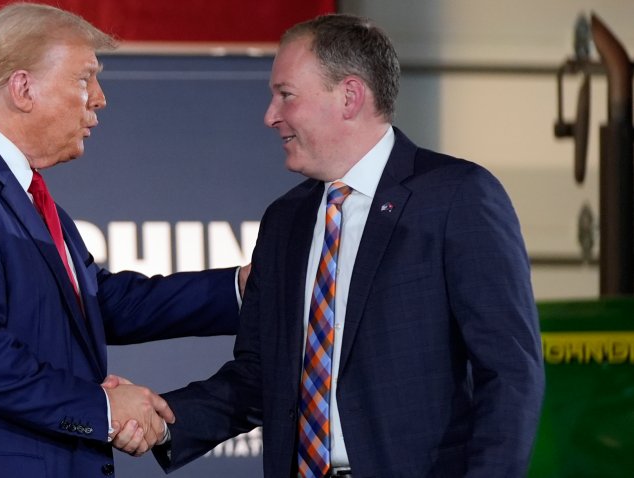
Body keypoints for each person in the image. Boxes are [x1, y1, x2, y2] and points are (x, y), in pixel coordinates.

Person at [115, 13, 545, 477]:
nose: (270, 115)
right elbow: (259, 377)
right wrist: (164, 423)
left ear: (349, 96)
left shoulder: (455, 195)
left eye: (286, 95)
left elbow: (509, 372)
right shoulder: (286, 221)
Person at [0, 3, 247, 477]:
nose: (99, 98)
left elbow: (96, 304)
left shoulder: (8, 188)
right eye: (85, 79)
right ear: (23, 88)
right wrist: (102, 409)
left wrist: (241, 289)